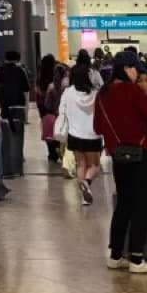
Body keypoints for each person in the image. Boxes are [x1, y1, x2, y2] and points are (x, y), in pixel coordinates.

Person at [94, 54, 147, 273]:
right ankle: (137, 258)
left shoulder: (102, 93)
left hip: (119, 155)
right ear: (127, 69)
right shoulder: (131, 90)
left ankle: (115, 255)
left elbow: (98, 127)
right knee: (141, 204)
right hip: (142, 153)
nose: (137, 74)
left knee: (124, 204)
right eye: (135, 69)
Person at [60, 59, 102, 204]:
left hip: (74, 134)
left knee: (80, 165)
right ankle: (87, 182)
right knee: (94, 165)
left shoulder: (68, 92)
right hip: (92, 135)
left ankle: (84, 197)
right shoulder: (95, 94)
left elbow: (62, 110)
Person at [0, 49, 31, 178]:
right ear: (17, 59)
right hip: (18, 106)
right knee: (18, 137)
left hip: (4, 106)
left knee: (5, 136)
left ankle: (7, 167)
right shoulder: (20, 71)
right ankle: (17, 168)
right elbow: (26, 89)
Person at [36, 55, 65, 170]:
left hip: (46, 110)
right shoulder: (57, 76)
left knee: (48, 130)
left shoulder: (40, 77)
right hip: (58, 109)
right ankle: (58, 149)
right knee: (58, 130)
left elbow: (38, 94)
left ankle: (52, 152)